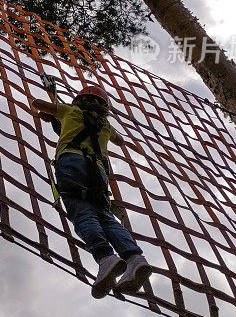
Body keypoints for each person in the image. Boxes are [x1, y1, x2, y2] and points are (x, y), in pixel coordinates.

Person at [32, 84, 152, 298]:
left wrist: (54, 112)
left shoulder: (71, 111)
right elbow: (120, 140)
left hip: (71, 160)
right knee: (105, 216)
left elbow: (37, 104)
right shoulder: (106, 125)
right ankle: (135, 259)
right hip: (99, 170)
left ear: (80, 100)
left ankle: (105, 257)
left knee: (81, 209)